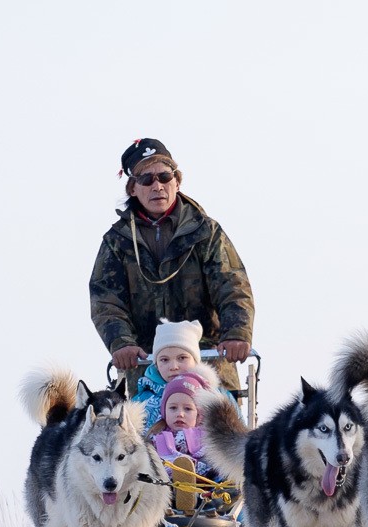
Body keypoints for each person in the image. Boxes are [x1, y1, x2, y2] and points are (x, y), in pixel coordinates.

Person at [90, 138, 255, 395]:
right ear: (133, 188)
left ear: (177, 182)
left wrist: (236, 333)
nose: (157, 186)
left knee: (224, 429)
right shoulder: (116, 242)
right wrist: (121, 343)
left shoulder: (205, 232)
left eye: (165, 177)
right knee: (141, 430)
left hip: (206, 361)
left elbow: (232, 286)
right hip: (147, 365)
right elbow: (106, 302)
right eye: (146, 179)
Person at [135, 318, 203, 429]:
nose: (173, 367)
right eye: (165, 360)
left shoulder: (215, 398)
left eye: (182, 358)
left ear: (195, 361)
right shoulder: (140, 403)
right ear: (156, 364)